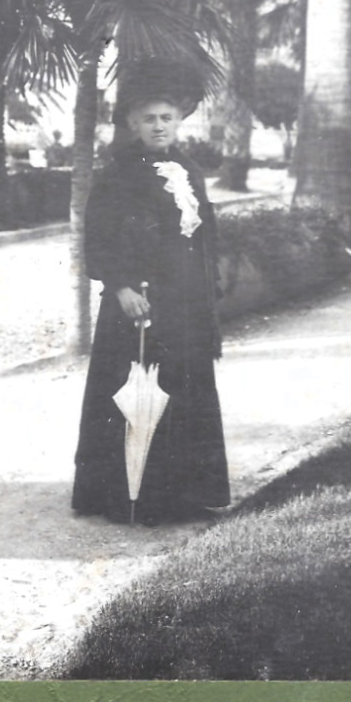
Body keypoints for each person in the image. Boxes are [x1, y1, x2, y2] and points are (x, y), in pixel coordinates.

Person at [72, 60, 230, 525]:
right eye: (148, 119)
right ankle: (130, 496)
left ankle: (189, 493)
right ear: (131, 125)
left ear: (178, 121)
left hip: (186, 302)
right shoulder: (119, 174)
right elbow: (97, 237)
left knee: (184, 389)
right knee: (138, 393)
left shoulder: (189, 169)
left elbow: (204, 236)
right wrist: (119, 286)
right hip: (139, 302)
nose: (158, 126)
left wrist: (210, 289)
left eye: (166, 117)